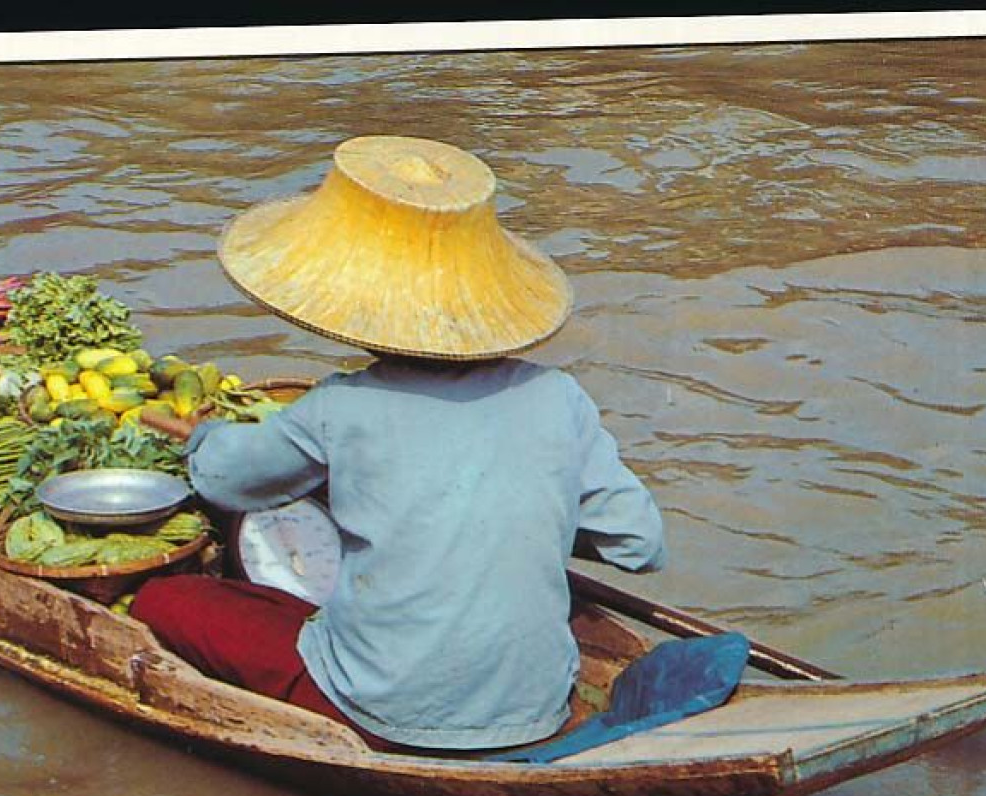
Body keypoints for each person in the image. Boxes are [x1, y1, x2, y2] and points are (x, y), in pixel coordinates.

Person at [133, 135, 666, 754]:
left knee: (168, 599)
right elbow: (638, 544)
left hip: (382, 708)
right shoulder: (558, 397)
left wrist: (204, 436)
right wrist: (513, 507)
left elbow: (229, 481)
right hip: (536, 703)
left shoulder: (344, 404)